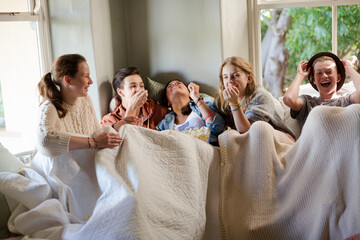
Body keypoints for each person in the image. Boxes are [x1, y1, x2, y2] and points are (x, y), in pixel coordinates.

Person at [33, 53, 130, 221]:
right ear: (68, 80)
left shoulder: (85, 101)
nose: (91, 81)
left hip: (82, 162)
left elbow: (94, 133)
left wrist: (117, 126)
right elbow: (45, 141)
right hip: (58, 168)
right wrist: (92, 142)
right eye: (86, 76)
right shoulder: (50, 107)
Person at [215, 56, 296, 140]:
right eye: (225, 77)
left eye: (235, 75)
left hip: (278, 142)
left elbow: (248, 133)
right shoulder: (223, 99)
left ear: (249, 78)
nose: (230, 81)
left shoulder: (260, 97)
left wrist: (234, 104)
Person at [283, 52, 360, 129]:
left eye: (329, 72)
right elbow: (288, 99)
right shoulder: (308, 103)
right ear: (314, 80)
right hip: (315, 139)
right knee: (317, 111)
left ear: (338, 78)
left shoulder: (346, 101)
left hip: (342, 138)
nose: (324, 76)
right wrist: (300, 75)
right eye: (319, 73)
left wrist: (350, 70)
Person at [157, 79, 225, 145]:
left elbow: (218, 127)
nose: (174, 84)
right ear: (167, 101)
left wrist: (197, 99)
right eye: (169, 86)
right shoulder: (164, 124)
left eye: (178, 83)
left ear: (189, 93)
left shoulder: (204, 103)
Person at [100, 67, 169, 130]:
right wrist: (132, 108)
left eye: (141, 86)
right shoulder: (109, 120)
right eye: (133, 86)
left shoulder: (158, 111)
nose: (139, 90)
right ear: (120, 92)